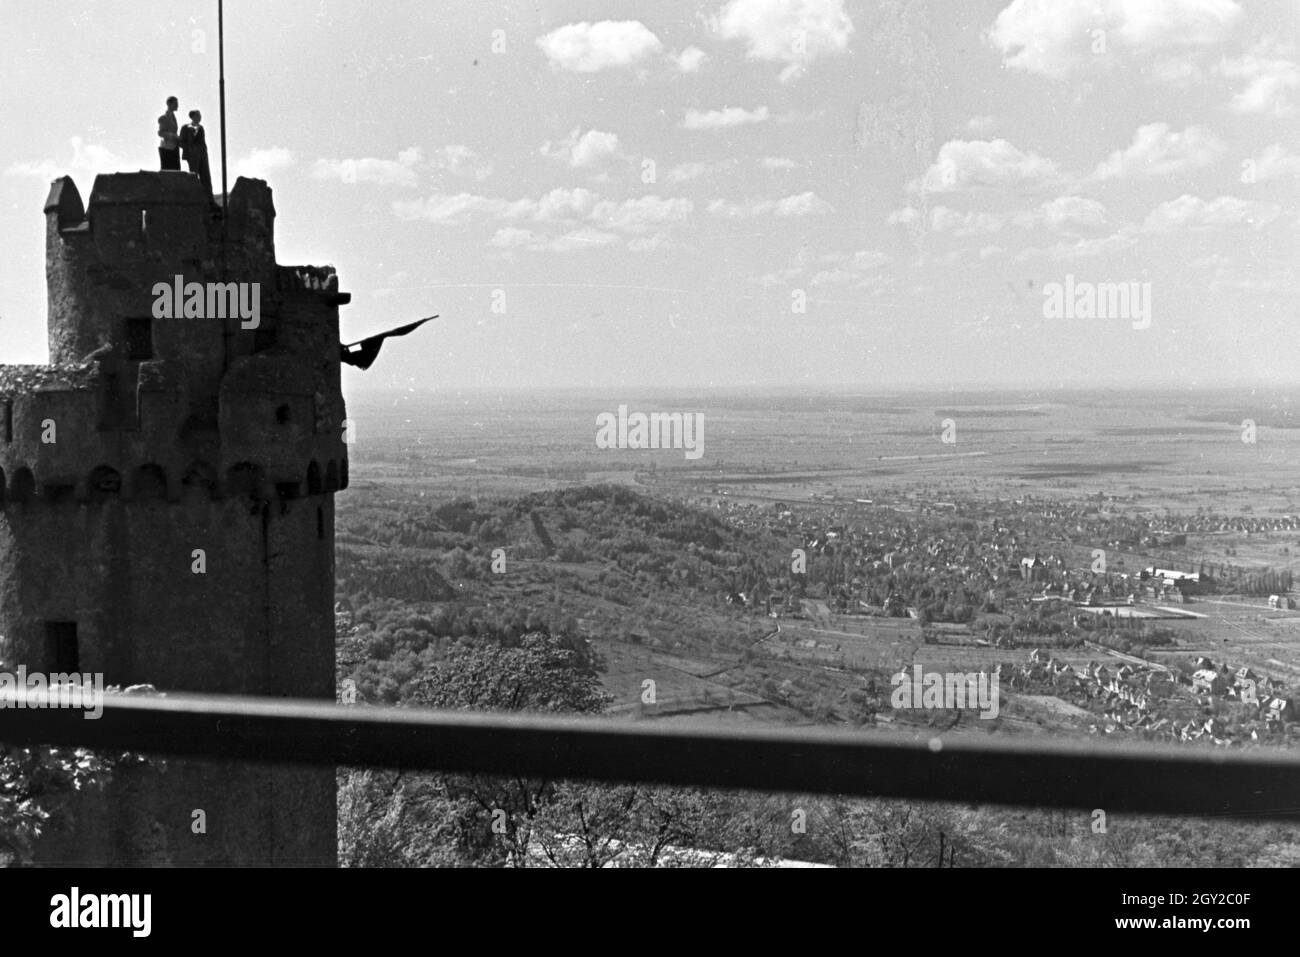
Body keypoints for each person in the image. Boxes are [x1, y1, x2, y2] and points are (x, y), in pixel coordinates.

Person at [178, 110, 216, 205]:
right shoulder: (186, 128)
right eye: (198, 115)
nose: (200, 117)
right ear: (193, 116)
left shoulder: (201, 128)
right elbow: (181, 142)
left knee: (206, 176)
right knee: (194, 176)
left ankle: (209, 200)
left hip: (202, 153)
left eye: (200, 115)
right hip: (193, 154)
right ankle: (194, 198)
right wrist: (189, 149)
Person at [157, 97, 180, 170]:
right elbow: (160, 133)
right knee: (168, 172)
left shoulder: (173, 117)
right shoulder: (164, 118)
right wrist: (173, 136)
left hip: (174, 147)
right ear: (169, 104)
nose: (177, 106)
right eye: (175, 104)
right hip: (167, 148)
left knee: (176, 172)